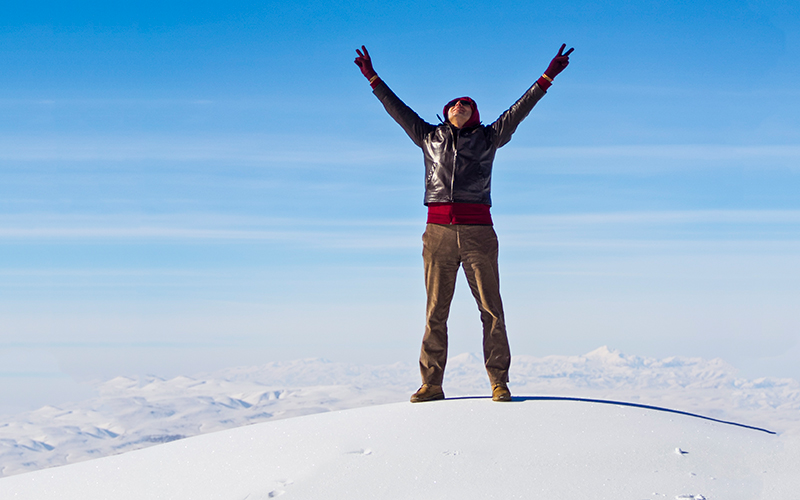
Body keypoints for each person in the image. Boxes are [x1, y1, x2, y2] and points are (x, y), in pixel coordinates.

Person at [354, 44, 573, 403]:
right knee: (435, 311)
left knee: (491, 310)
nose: (461, 105)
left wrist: (547, 77)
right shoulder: (429, 137)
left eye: (467, 104)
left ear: (475, 114)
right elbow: (397, 110)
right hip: (437, 233)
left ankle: (499, 382)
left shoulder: (489, 137)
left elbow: (519, 110)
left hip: (478, 234)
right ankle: (432, 384)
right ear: (445, 112)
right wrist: (373, 78)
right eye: (455, 103)